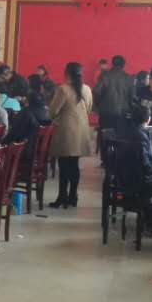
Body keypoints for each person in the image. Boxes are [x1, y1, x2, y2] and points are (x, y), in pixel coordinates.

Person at [49, 61, 94, 209]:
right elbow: (89, 108)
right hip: (81, 131)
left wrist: (53, 116)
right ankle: (73, 196)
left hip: (66, 131)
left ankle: (62, 197)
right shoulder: (87, 88)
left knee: (63, 165)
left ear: (66, 73)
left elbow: (53, 111)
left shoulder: (63, 89)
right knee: (74, 165)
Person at [93, 55, 133, 136]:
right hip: (123, 114)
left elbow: (96, 92)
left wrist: (98, 107)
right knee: (120, 137)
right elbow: (132, 97)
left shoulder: (104, 75)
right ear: (124, 65)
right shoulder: (128, 78)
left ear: (112, 64)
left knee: (105, 137)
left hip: (106, 113)